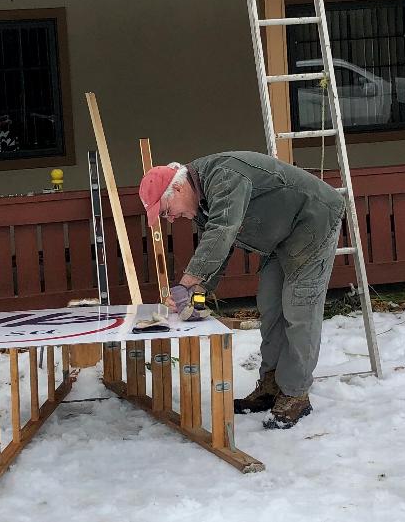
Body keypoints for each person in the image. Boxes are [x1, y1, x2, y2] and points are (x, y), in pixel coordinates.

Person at [138, 150, 344, 429]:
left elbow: (223, 230)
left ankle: (295, 394)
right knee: (270, 306)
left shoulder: (224, 176)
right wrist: (196, 296)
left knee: (299, 309)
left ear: (177, 187)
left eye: (165, 211)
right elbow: (220, 248)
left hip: (312, 220)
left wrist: (186, 283)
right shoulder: (201, 199)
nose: (170, 219)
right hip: (281, 234)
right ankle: (271, 385)